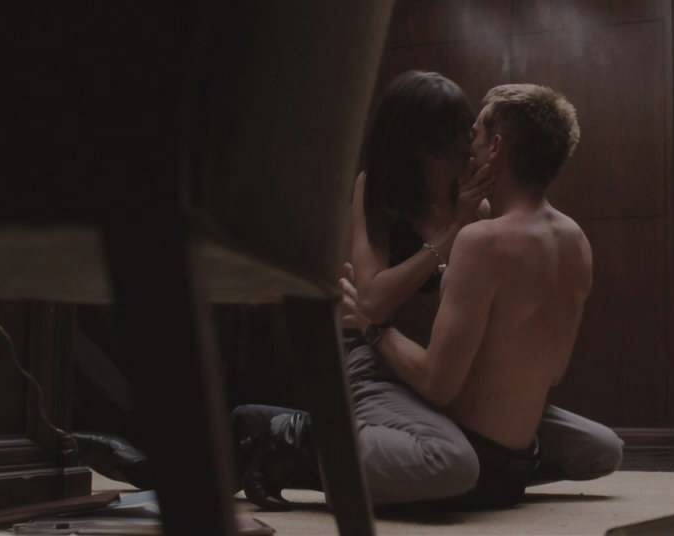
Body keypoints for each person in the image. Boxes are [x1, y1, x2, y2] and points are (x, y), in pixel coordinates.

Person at [233, 73, 621, 511]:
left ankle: (436, 467)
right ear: (413, 144)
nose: (464, 146)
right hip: (380, 360)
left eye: (468, 132)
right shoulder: (382, 191)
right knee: (452, 463)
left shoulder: (483, 208)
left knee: (598, 447)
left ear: (493, 146)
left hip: (436, 362)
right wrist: (451, 234)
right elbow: (371, 304)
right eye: (453, 136)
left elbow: (525, 362)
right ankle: (298, 437)